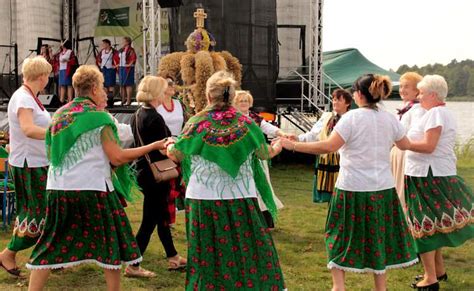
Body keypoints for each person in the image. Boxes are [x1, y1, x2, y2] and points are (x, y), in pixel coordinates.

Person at [25, 65, 167, 291]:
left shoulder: (61, 114)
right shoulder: (100, 118)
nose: (105, 92)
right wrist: (153, 146)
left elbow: (53, 152)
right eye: (102, 87)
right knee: (110, 244)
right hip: (93, 189)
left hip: (58, 189)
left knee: (49, 245)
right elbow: (118, 157)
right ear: (92, 89)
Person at [277, 74, 418, 291]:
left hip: (353, 187)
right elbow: (406, 143)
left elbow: (327, 147)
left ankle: (339, 287)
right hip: (383, 188)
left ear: (359, 95)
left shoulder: (352, 118)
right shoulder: (389, 118)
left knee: (338, 234)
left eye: (353, 92)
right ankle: (380, 288)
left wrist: (291, 145)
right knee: (377, 236)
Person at [167, 71, 286, 290]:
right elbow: (264, 153)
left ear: (208, 95)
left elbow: (177, 154)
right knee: (247, 249)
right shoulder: (245, 123)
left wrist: (167, 146)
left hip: (203, 197)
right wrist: (277, 147)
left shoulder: (197, 122)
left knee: (207, 252)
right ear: (231, 97)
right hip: (241, 195)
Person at [402, 75, 473, 290]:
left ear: (433, 95)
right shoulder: (440, 112)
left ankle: (430, 278)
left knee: (423, 225)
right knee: (432, 223)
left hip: (427, 175)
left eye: (422, 93)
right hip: (428, 172)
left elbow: (428, 146)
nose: (419, 96)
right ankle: (438, 271)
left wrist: (403, 143)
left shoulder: (435, 113)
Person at [125, 76, 185, 278]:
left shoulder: (137, 114)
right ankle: (133, 264)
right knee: (150, 220)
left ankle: (173, 256)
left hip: (143, 170)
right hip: (155, 173)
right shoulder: (154, 117)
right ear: (156, 92)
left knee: (160, 217)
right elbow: (164, 147)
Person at [0, 57, 52, 277]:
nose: (48, 79)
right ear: (41, 77)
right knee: (36, 214)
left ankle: (46, 258)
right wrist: (56, 133)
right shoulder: (23, 98)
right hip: (29, 164)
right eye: (47, 75)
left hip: (36, 162)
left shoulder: (30, 97)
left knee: (42, 212)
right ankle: (8, 253)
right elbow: (28, 129)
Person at [290, 88, 352, 203]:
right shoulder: (327, 117)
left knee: (343, 195)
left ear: (347, 103)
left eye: (339, 100)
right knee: (330, 197)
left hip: (343, 161)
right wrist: (298, 138)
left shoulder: (351, 119)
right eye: (333, 99)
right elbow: (314, 134)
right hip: (326, 160)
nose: (334, 102)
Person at [233, 90, 284, 228]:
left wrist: (282, 133)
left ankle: (265, 220)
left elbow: (269, 128)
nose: (243, 103)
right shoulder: (233, 118)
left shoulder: (255, 118)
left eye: (245, 101)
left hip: (259, 157)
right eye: (240, 101)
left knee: (262, 186)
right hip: (241, 159)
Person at [390, 72, 425, 211]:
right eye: (401, 86)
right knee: (395, 186)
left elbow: (414, 134)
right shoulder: (406, 107)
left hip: (405, 152)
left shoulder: (418, 109)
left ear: (417, 91)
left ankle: (405, 218)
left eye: (407, 87)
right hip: (397, 151)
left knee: (402, 188)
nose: (402, 90)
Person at [156, 77, 188, 225]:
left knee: (181, 182)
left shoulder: (179, 103)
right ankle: (167, 219)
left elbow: (186, 124)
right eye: (168, 84)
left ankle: (181, 213)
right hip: (163, 147)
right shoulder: (157, 105)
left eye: (172, 84)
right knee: (168, 183)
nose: (172, 86)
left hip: (179, 146)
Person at [96, 39, 119, 104]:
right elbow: (98, 58)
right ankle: (105, 100)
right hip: (104, 70)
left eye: (104, 44)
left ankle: (111, 101)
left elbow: (117, 59)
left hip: (110, 70)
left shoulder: (113, 51)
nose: (102, 45)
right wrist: (99, 63)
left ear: (107, 44)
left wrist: (115, 65)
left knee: (110, 85)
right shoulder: (102, 51)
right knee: (105, 85)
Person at [118, 36, 137, 106]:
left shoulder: (131, 50)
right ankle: (123, 100)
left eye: (123, 41)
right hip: (121, 67)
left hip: (128, 68)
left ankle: (128, 100)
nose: (122, 42)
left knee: (128, 84)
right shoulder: (121, 49)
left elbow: (133, 58)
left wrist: (129, 64)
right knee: (122, 84)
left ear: (127, 42)